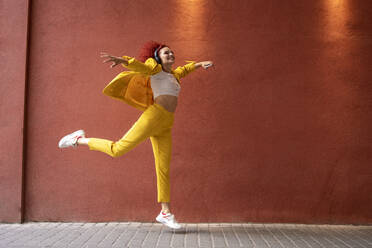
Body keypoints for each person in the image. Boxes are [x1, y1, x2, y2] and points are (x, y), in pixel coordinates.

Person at [58, 41, 214, 229]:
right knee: (118, 149)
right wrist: (123, 61)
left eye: (172, 53)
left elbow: (185, 69)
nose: (171, 55)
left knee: (163, 167)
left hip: (166, 123)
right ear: (157, 58)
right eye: (166, 53)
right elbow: (140, 66)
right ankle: (78, 139)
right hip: (153, 117)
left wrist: (199, 64)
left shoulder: (174, 75)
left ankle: (165, 212)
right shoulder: (154, 69)